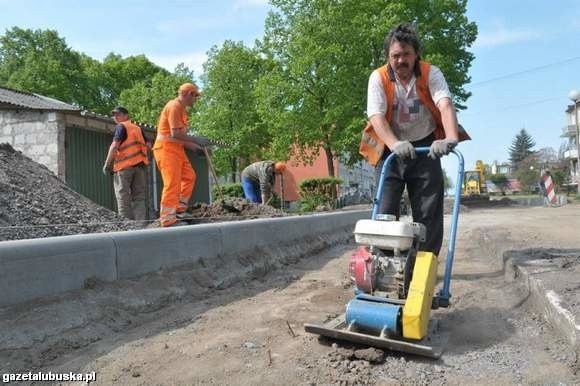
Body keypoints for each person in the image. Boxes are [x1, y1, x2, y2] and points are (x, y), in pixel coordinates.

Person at [363, 23, 470, 255]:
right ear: (388, 57)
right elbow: (376, 117)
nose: (401, 60)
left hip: (425, 147)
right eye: (395, 56)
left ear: (416, 54)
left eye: (406, 54)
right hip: (390, 149)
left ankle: (426, 264)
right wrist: (395, 144)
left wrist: (449, 139)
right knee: (384, 211)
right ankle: (385, 265)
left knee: (428, 212)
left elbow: (445, 104)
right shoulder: (378, 78)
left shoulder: (432, 73)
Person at [153, 83, 211, 227]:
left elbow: (179, 138)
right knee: (172, 183)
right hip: (166, 150)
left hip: (176, 149)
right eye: (195, 96)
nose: (196, 99)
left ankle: (178, 209)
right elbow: (175, 133)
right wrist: (196, 139)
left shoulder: (182, 110)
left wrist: (195, 148)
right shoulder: (174, 106)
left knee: (189, 176)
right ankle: (167, 219)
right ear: (189, 94)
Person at [102, 106, 150, 222]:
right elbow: (148, 145)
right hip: (140, 167)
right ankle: (140, 225)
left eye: (118, 114)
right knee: (139, 198)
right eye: (114, 115)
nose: (115, 117)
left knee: (123, 196)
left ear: (126, 115)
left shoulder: (121, 126)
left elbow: (114, 146)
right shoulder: (137, 128)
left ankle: (126, 226)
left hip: (124, 167)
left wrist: (107, 164)